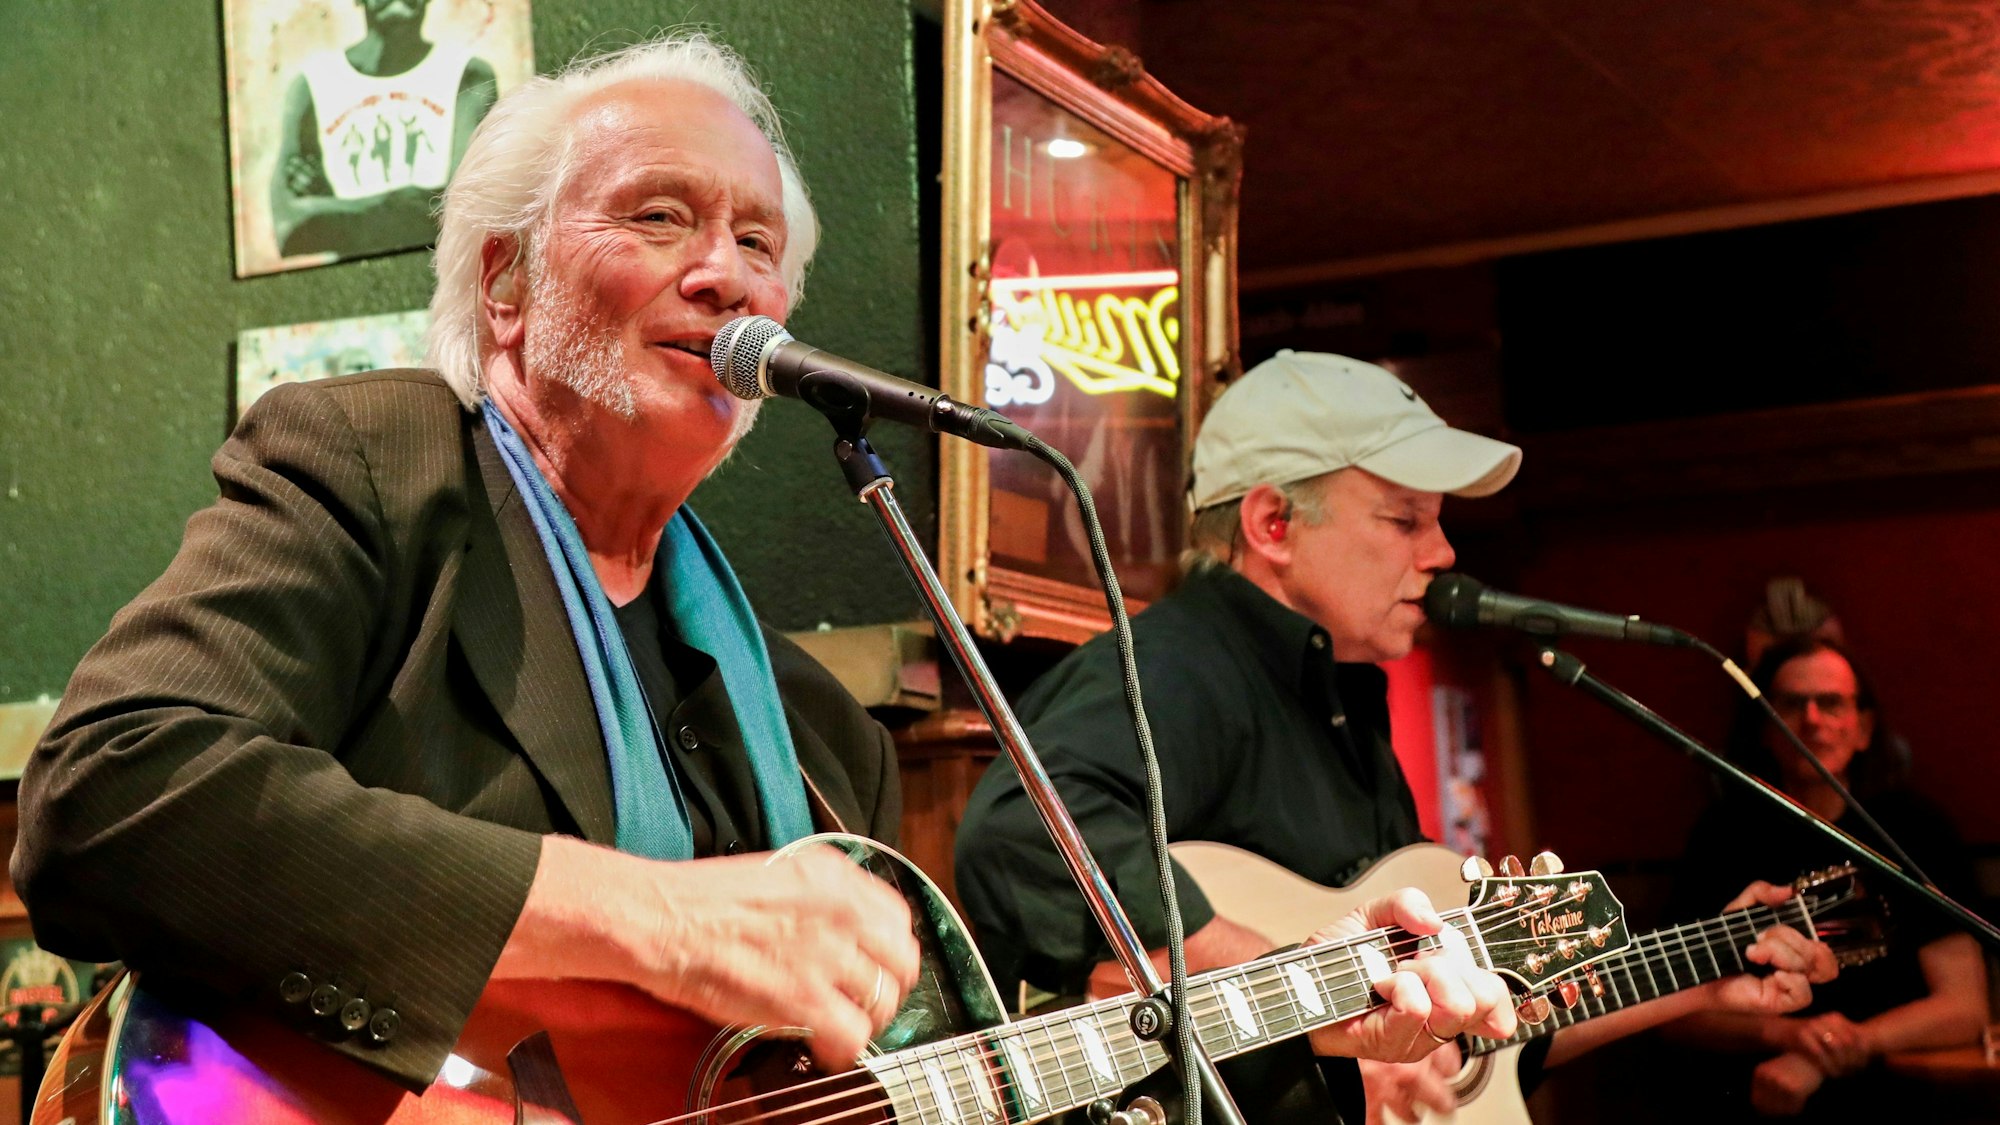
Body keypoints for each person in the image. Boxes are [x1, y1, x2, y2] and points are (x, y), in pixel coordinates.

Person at [16, 33, 917, 1095]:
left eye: (758, 244)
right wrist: (658, 920)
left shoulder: (826, 745)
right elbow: (109, 796)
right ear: (506, 285)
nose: (724, 275)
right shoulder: (373, 475)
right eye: (659, 216)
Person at [954, 351, 1838, 1124]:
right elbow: (1027, 830)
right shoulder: (1182, 667)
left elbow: (1469, 1045)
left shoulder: (1339, 708)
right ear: (1273, 525)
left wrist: (1699, 977)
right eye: (1405, 519)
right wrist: (1325, 990)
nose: (1444, 552)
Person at [1664, 635, 1989, 1118]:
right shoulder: (1722, 834)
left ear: (1863, 728)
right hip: (1756, 1095)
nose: (1812, 720)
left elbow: (1965, 1007)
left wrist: (1830, 1051)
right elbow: (1676, 1012)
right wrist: (1784, 1034)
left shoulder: (1916, 829)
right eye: (1793, 704)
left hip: (1900, 1092)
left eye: (1831, 703)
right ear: (1765, 729)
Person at [270, 0, 499, 258]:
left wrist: (335, 209)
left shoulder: (466, 75)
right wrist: (411, 204)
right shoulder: (313, 86)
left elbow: (467, 214)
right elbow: (288, 225)